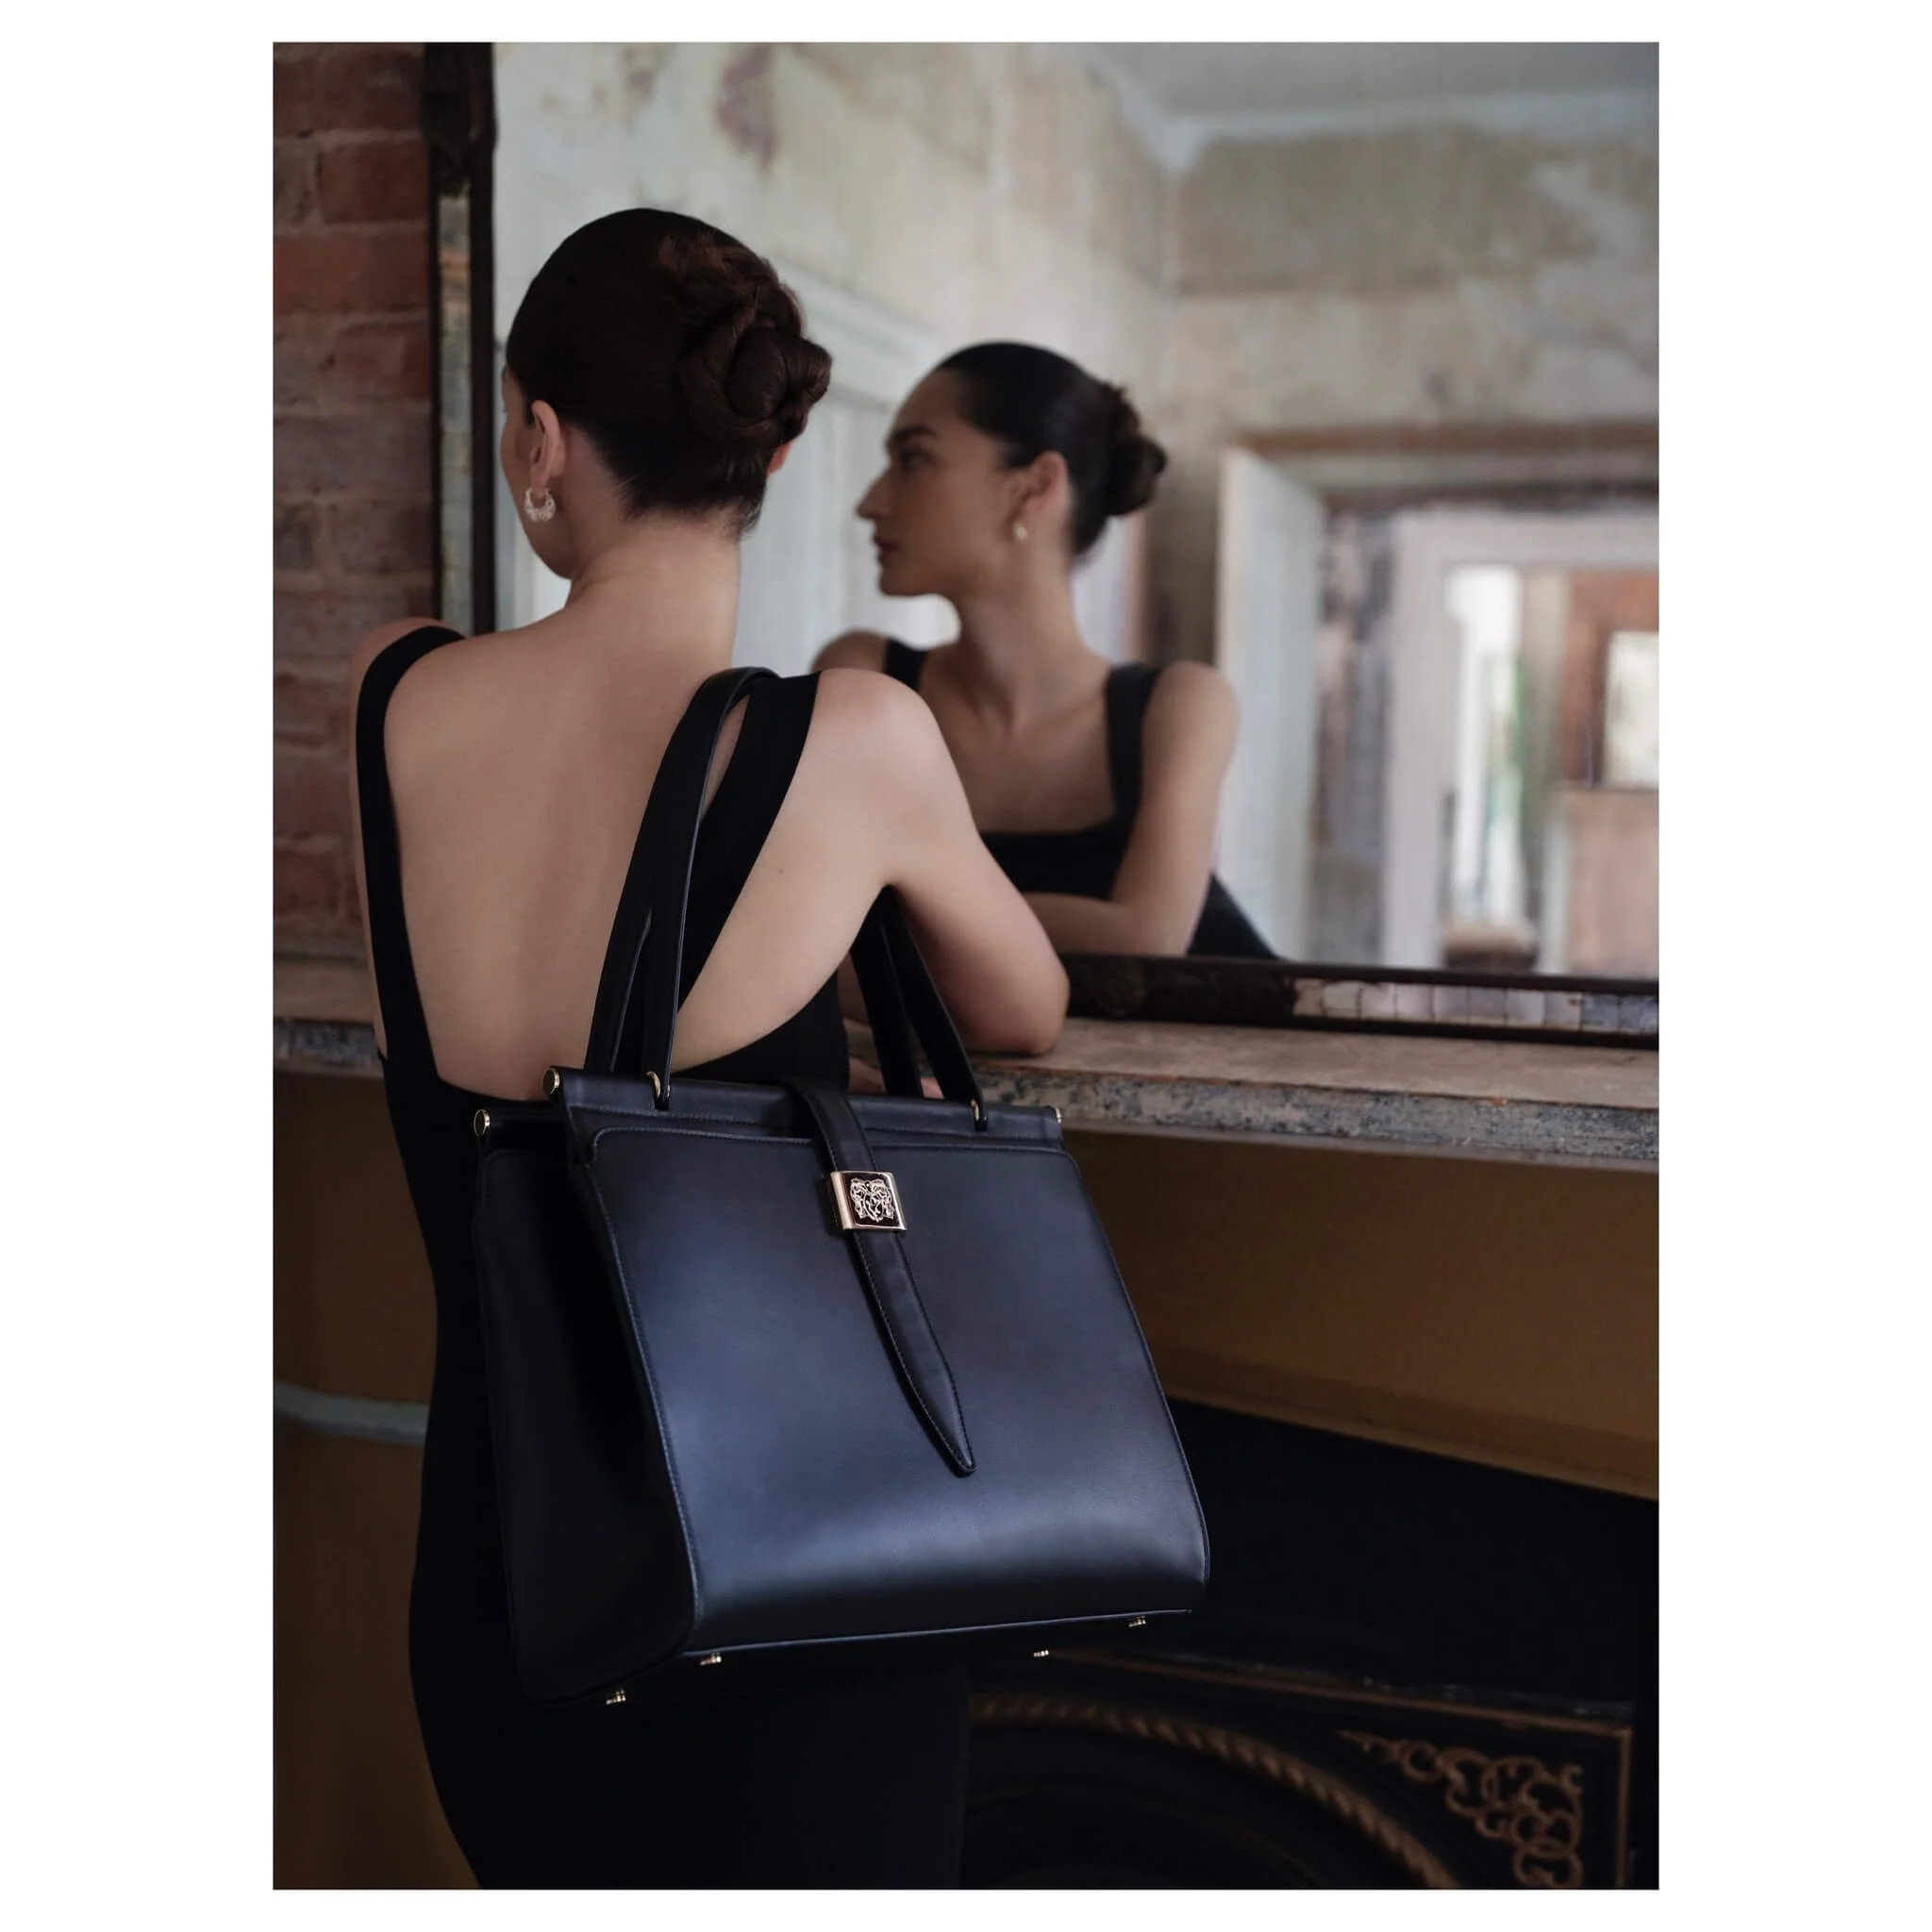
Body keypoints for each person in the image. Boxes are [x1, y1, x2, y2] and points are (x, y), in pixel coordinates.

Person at [345, 209, 1067, 1888]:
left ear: (539, 439)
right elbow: (1018, 1007)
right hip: (785, 1614)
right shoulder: (853, 741)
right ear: (779, 448)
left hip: (506, 1605)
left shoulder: (395, 698)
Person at [816, 341, 1273, 958]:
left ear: (1034, 486)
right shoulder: (865, 678)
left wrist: (902, 918)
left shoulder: (1179, 705)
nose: (871, 502)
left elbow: (1148, 935)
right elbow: (825, 924)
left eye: (914, 459)